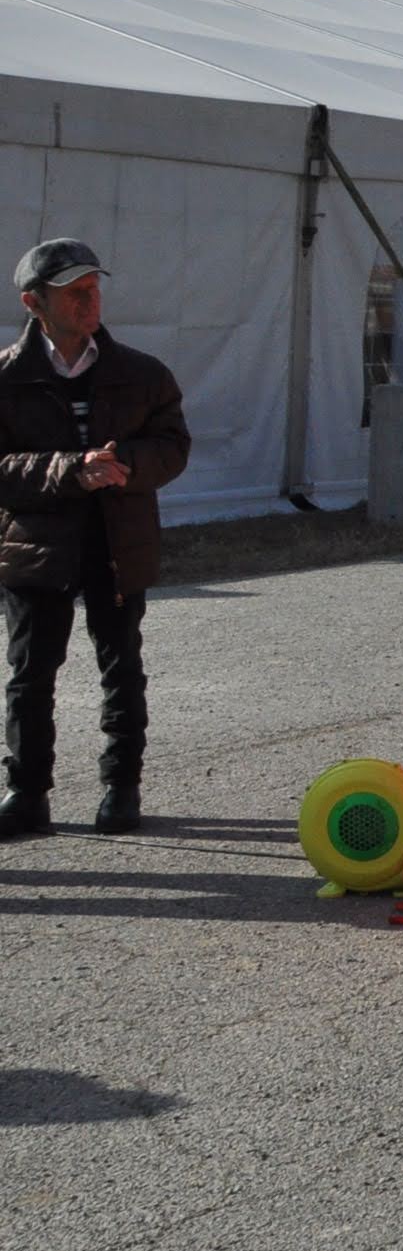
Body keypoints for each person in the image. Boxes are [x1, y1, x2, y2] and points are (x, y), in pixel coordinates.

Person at [0, 240, 192, 838]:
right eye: (74, 293)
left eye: (94, 288)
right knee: (31, 674)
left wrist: (125, 463)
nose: (90, 301)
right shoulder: (5, 378)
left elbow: (174, 446)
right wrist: (70, 470)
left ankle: (121, 787)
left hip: (117, 543)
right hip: (35, 546)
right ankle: (26, 794)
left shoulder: (143, 373)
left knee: (121, 666)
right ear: (34, 303)